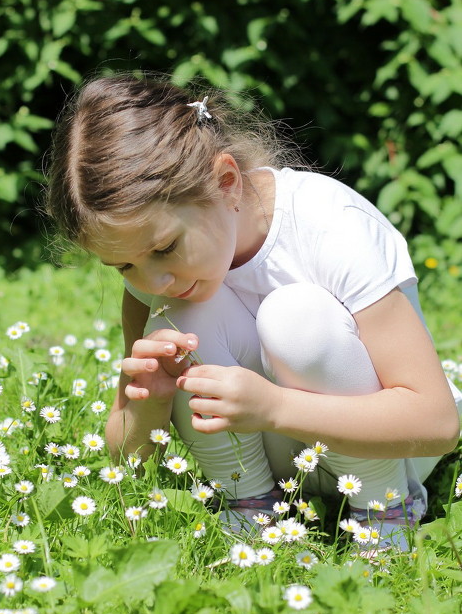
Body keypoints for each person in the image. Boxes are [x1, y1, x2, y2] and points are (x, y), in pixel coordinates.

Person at [46, 73, 461, 547]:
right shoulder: (157, 281)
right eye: (122, 265)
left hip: (388, 450)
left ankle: (385, 514)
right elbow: (128, 460)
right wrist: (150, 398)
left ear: (226, 182)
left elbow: (437, 423)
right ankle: (249, 510)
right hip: (281, 464)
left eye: (164, 248)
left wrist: (275, 407)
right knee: (179, 324)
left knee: (297, 316)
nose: (150, 281)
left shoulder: (330, 227)